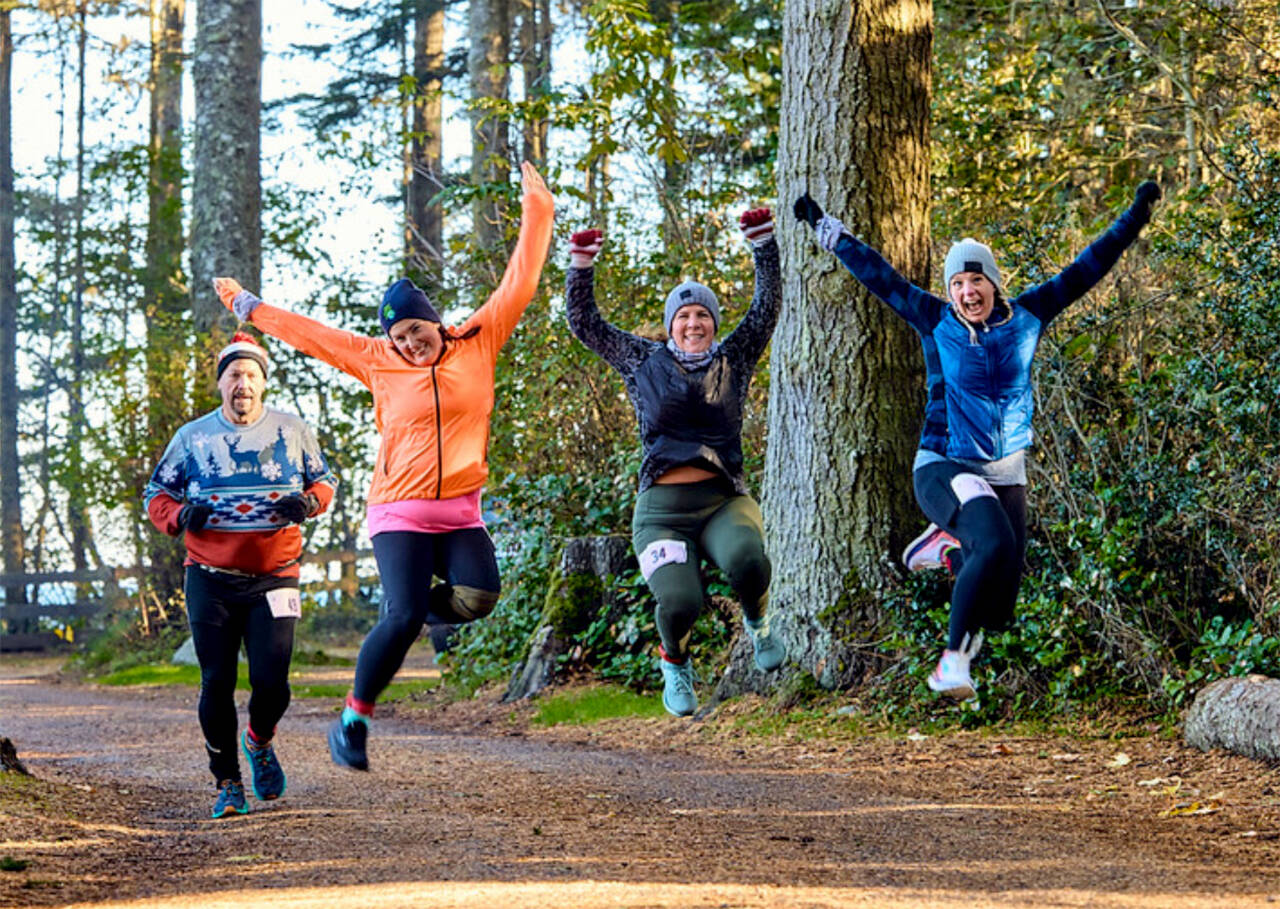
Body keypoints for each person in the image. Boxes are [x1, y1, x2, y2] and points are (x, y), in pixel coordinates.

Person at [212, 161, 554, 768]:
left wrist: (538, 209)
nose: (409, 344)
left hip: (461, 512)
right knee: (403, 616)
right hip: (399, 511)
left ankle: (402, 603)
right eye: (400, 338)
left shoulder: (478, 340)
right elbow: (313, 336)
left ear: (434, 321)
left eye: (417, 331)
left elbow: (520, 281)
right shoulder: (377, 359)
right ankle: (353, 721)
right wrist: (249, 306)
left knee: (480, 596)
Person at [794, 181, 1161, 699]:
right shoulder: (933, 319)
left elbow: (1087, 268)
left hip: (1005, 473)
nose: (968, 292)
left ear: (993, 283)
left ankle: (947, 548)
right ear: (949, 291)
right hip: (943, 464)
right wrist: (824, 227)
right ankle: (950, 663)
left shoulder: (1029, 317)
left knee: (1000, 604)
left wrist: (1135, 217)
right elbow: (878, 274)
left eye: (976, 280)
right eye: (958, 284)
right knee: (990, 541)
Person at [564, 207, 785, 717]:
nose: (693, 323)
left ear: (713, 323)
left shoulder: (733, 359)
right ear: (670, 326)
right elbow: (584, 324)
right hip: (662, 512)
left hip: (722, 501)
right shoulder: (642, 360)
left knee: (749, 561)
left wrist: (763, 244)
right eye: (683, 316)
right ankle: (675, 663)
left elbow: (766, 308)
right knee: (681, 602)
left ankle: (759, 624)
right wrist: (581, 264)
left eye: (702, 315)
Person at [144, 332, 337, 818]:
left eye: (251, 375)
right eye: (233, 375)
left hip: (276, 576)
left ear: (263, 383)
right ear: (220, 383)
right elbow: (155, 494)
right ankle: (227, 783)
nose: (242, 384)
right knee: (217, 680)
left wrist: (309, 503)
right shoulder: (192, 438)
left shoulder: (292, 430)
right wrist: (179, 516)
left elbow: (324, 481)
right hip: (210, 576)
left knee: (272, 683)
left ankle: (260, 740)